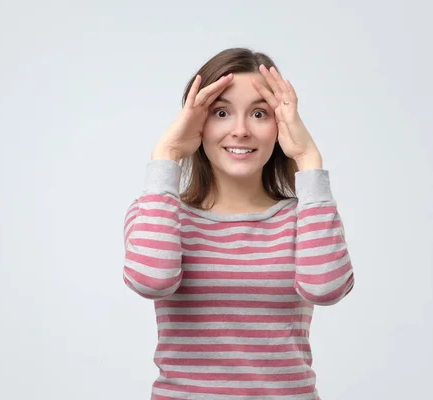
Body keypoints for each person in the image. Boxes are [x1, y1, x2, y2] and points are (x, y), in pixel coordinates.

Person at [122, 47, 355, 400]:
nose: (241, 130)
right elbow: (151, 280)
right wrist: (166, 155)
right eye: (221, 112)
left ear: (280, 124)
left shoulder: (307, 215)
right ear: (197, 122)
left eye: (259, 113)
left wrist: (308, 159)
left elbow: (326, 289)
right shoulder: (159, 211)